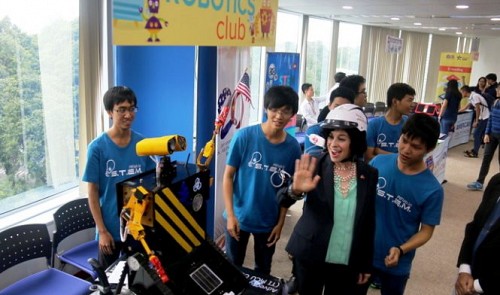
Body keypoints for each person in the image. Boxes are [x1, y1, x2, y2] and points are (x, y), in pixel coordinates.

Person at [279, 104, 378, 294]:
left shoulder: (369, 174)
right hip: (310, 254)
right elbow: (282, 200)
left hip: (346, 259)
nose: (333, 144)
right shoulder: (315, 164)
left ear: (355, 141)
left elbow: (368, 222)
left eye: (341, 138)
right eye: (331, 137)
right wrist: (295, 190)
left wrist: (366, 263)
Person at [360, 113, 444, 295]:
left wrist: (401, 249)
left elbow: (426, 231)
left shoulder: (432, 189)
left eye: (415, 147)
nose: (406, 149)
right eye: (404, 140)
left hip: (397, 261)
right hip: (364, 253)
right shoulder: (378, 163)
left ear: (428, 149)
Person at [223, 85, 302, 275]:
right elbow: (228, 176)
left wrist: (281, 222)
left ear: (292, 113)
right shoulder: (244, 137)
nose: (279, 116)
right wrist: (231, 215)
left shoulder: (293, 148)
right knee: (233, 268)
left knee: (263, 270)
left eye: (285, 111)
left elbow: (288, 190)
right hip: (239, 218)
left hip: (268, 220)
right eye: (274, 109)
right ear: (266, 108)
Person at [83, 86, 156, 268]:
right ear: (109, 112)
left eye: (131, 109)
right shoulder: (97, 148)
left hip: (138, 229)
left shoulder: (142, 144)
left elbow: (151, 183)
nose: (128, 115)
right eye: (121, 110)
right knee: (110, 281)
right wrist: (102, 231)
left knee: (140, 279)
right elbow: (92, 193)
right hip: (110, 230)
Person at [455, 173, 500, 295]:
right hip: (467, 277)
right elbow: (475, 225)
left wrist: (478, 285)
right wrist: (464, 269)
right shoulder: (497, 181)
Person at [365, 83, 415, 163]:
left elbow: (410, 158)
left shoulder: (409, 124)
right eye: (409, 100)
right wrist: (398, 158)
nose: (413, 105)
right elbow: (369, 158)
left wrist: (379, 151)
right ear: (395, 102)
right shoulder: (374, 125)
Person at [304, 86, 356, 156]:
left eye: (345, 108)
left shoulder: (356, 132)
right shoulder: (314, 131)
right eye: (336, 107)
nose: (340, 112)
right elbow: (314, 161)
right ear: (329, 106)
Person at [467, 85, 500, 191]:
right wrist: (486, 133)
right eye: (497, 89)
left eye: (499, 89)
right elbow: (490, 118)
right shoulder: (495, 102)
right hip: (492, 135)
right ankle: (479, 182)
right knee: (486, 158)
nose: (496, 90)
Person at [459, 86, 490, 158]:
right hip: (482, 118)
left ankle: (475, 152)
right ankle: (474, 150)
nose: (461, 94)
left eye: (461, 92)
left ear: (465, 92)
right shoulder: (472, 97)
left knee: (476, 134)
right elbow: (465, 107)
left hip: (485, 118)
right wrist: (456, 112)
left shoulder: (475, 96)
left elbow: (478, 109)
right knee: (477, 134)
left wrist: (476, 121)